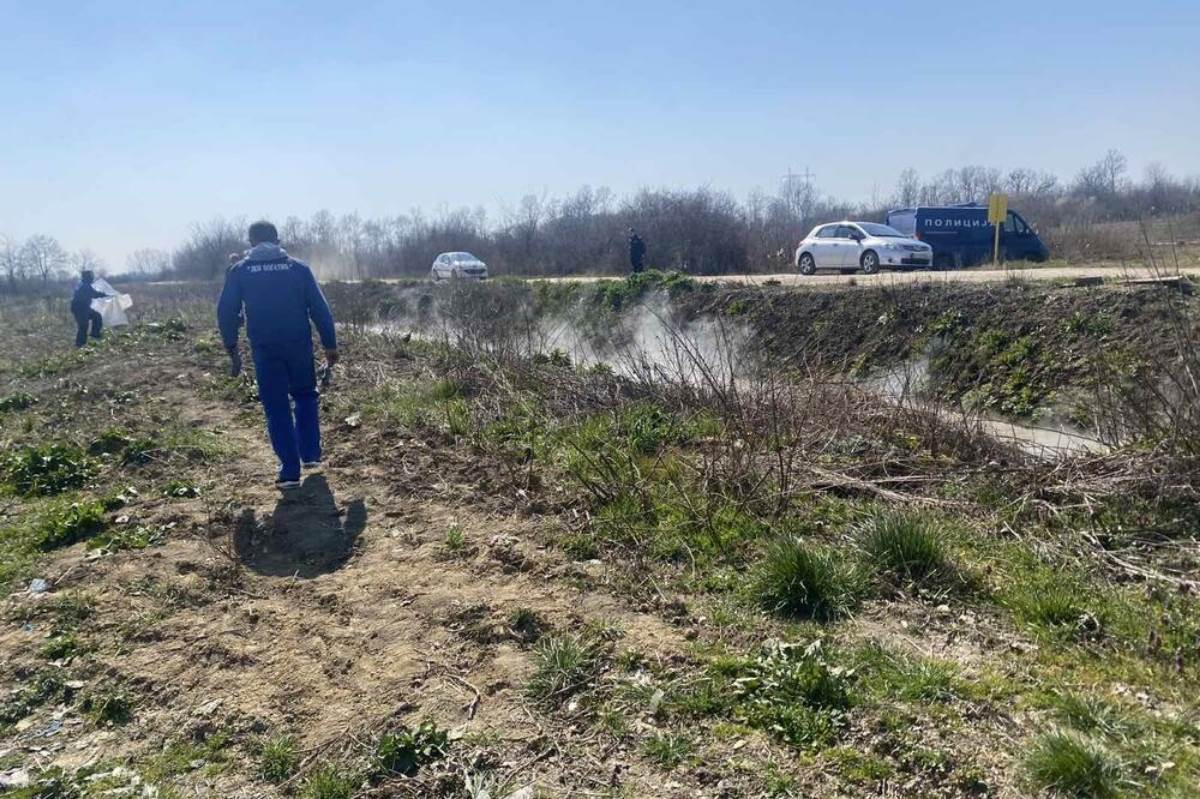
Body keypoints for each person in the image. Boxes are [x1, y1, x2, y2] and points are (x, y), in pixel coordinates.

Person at [217, 221, 339, 490]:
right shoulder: (298, 269)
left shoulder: (240, 271)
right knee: (305, 395)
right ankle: (309, 454)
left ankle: (289, 471)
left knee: (276, 405)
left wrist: (231, 346)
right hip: (299, 347)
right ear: (278, 239)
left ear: (250, 242)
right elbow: (320, 309)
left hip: (265, 348)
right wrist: (330, 345)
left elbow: (226, 312)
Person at [70, 270, 111, 348]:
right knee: (83, 326)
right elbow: (94, 294)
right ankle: (80, 345)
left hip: (84, 308)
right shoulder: (85, 286)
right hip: (80, 309)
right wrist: (104, 294)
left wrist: (103, 294)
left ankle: (95, 334)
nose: (92, 278)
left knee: (97, 316)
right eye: (91, 277)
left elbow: (93, 293)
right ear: (87, 278)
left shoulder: (83, 284)